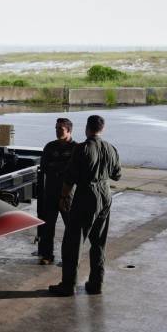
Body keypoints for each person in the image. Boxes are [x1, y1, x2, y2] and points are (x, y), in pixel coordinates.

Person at [49, 115, 121, 297]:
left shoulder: (82, 148)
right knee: (98, 242)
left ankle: (68, 285)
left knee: (73, 241)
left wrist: (63, 197)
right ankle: (96, 284)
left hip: (87, 194)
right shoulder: (111, 148)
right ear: (102, 129)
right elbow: (117, 175)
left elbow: (70, 177)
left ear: (87, 128)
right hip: (105, 194)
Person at [36, 118, 76, 265]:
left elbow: (73, 170)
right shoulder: (50, 147)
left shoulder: (76, 148)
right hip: (51, 192)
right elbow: (45, 167)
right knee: (47, 226)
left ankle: (70, 257)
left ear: (69, 130)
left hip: (68, 194)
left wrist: (57, 167)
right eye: (56, 128)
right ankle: (47, 255)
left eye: (61, 129)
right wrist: (62, 167)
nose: (57, 131)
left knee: (71, 227)